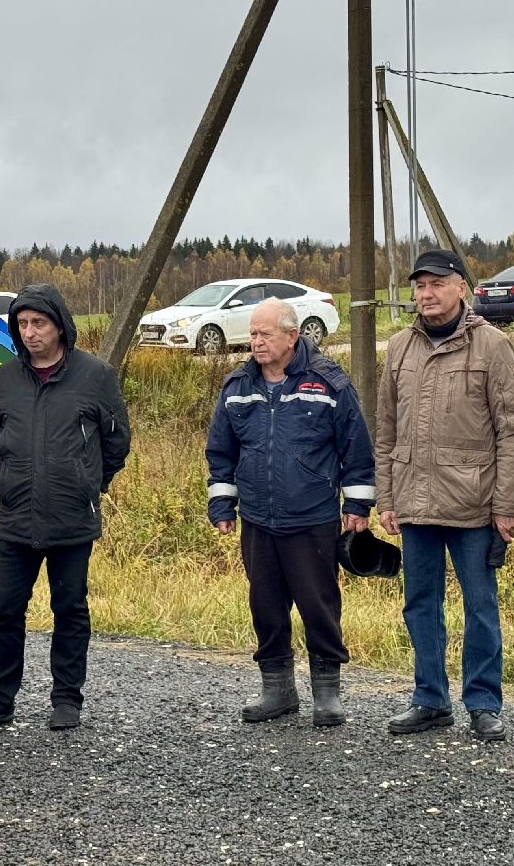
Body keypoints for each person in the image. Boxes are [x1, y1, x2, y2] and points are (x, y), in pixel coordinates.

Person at [374, 249, 514, 741]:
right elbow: (385, 430)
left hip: (474, 504)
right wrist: (386, 497)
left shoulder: (492, 347)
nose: (426, 294)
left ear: (461, 287)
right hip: (415, 502)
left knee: (480, 608)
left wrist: (507, 506)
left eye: (436, 284)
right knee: (420, 605)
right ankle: (430, 699)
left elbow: (513, 431)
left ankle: (483, 703)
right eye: (419, 286)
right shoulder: (399, 347)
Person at [0, 284, 131, 732]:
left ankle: (66, 699)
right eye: (22, 324)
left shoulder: (95, 375)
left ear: (59, 325)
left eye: (39, 323)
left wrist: (88, 484)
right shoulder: (3, 378)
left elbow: (117, 443)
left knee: (70, 609)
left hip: (72, 518)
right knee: (4, 611)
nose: (30, 332)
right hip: (16, 517)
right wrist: (18, 479)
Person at [206, 298, 374, 728]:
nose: (256, 342)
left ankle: (327, 692)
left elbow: (356, 449)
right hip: (258, 521)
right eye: (253, 334)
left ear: (292, 336)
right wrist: (222, 503)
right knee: (265, 606)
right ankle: (277, 690)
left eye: (265, 334)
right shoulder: (237, 387)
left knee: (319, 606)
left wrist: (357, 506)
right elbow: (221, 452)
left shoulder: (328, 383)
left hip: (312, 520)